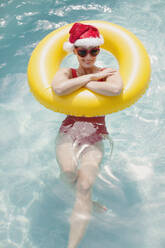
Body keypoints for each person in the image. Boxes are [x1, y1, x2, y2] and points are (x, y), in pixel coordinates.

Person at [52, 22, 123, 248]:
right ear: (74, 51)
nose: (88, 56)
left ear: (99, 50)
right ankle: (89, 204)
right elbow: (59, 89)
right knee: (68, 175)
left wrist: (86, 81)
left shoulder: (108, 73)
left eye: (94, 51)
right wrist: (87, 80)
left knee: (84, 186)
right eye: (82, 51)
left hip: (95, 133)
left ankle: (71, 247)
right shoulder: (66, 72)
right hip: (69, 130)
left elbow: (115, 90)